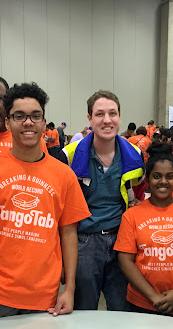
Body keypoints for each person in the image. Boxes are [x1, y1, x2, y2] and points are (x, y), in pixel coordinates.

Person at [0, 82, 90, 324]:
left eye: (35, 116)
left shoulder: (64, 175)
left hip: (45, 296)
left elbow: (68, 234)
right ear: (7, 122)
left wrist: (69, 289)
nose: (28, 122)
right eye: (19, 116)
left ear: (44, 123)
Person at [61, 90, 145, 311]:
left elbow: (139, 191)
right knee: (84, 310)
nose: (107, 120)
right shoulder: (69, 156)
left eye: (112, 113)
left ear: (119, 117)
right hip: (84, 242)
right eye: (99, 114)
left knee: (122, 310)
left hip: (122, 242)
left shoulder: (135, 155)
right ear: (89, 118)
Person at [115, 142, 173, 321]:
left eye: (169, 176)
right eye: (157, 176)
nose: (163, 182)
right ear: (148, 180)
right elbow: (125, 260)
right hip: (142, 303)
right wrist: (153, 297)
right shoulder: (132, 215)